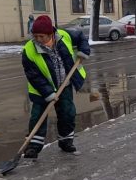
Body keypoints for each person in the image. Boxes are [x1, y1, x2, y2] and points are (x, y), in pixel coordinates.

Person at [22, 15, 90, 158]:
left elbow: (81, 37)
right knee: (37, 116)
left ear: (51, 34)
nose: (38, 40)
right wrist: (48, 92)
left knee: (67, 113)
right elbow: (33, 75)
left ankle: (66, 142)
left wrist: (84, 50)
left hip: (64, 84)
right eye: (35, 36)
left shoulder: (64, 36)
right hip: (41, 89)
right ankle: (33, 146)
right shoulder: (29, 50)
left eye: (42, 36)